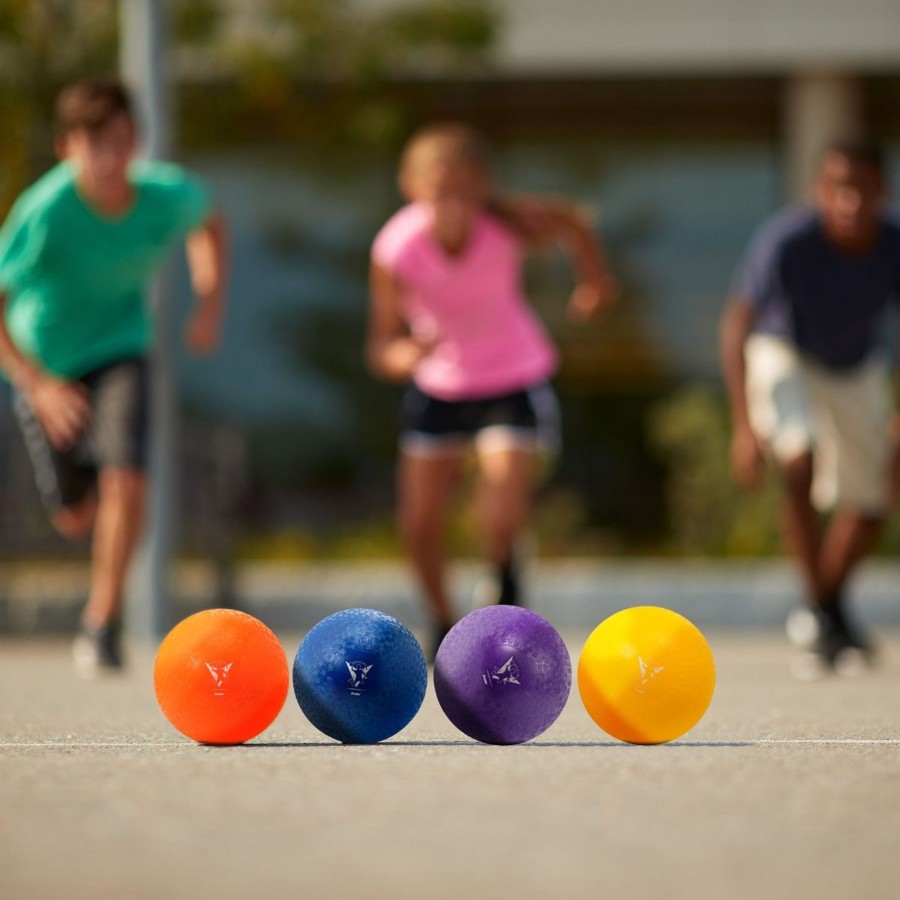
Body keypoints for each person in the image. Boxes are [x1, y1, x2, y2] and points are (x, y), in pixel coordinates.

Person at [0, 79, 227, 676]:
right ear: (66, 148)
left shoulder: (165, 194)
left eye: (121, 142)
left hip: (123, 345)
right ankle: (78, 498)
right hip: (47, 362)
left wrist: (207, 302)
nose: (108, 159)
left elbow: (211, 223)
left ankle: (101, 621)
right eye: (93, 145)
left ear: (137, 143)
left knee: (127, 477)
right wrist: (37, 385)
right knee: (76, 515)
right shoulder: (45, 211)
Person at [367, 122, 618, 657]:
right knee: (419, 523)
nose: (453, 205)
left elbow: (574, 222)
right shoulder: (395, 248)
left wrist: (594, 282)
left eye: (464, 191)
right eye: (439, 193)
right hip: (440, 386)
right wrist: (406, 354)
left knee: (499, 506)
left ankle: (503, 568)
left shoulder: (505, 226)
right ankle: (442, 625)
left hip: (511, 375)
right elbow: (381, 344)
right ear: (411, 188)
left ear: (483, 189)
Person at [720, 140, 900, 675]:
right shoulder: (787, 240)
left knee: (873, 495)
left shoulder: (894, 243)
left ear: (880, 191)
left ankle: (826, 608)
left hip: (856, 364)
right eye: (837, 189)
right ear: (820, 193)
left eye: (861, 189)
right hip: (785, 351)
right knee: (798, 463)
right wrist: (743, 427)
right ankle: (826, 613)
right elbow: (737, 323)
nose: (849, 202)